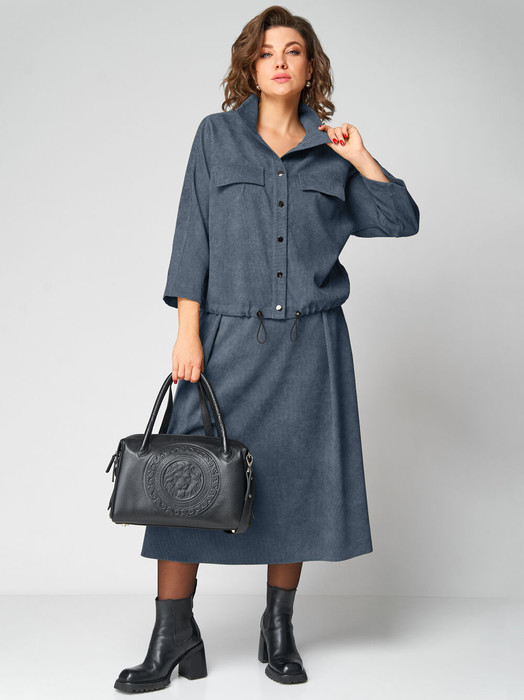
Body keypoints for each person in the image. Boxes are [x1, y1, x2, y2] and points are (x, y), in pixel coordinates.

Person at [114, 5, 420, 693]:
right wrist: (187, 330)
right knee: (183, 485)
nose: (280, 61)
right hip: (225, 339)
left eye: (294, 51)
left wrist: (359, 155)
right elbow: (193, 233)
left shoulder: (332, 149)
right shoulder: (216, 137)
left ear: (311, 68)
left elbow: (401, 220)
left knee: (294, 485)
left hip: (311, 347)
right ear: (249, 66)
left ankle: (278, 630)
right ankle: (172, 634)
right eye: (266, 52)